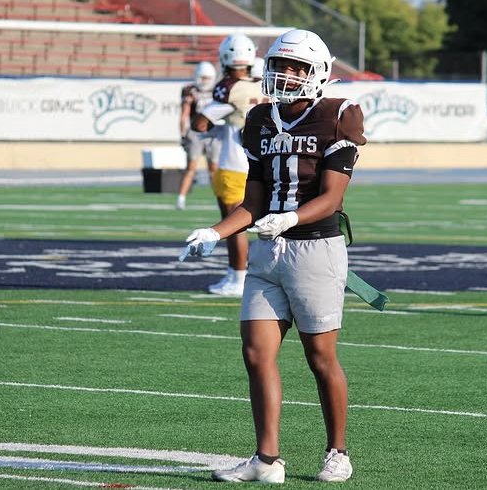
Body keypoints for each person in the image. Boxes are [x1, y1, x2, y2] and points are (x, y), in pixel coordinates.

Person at [179, 29, 366, 483]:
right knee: (256, 353)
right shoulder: (261, 119)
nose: (285, 74)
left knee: (320, 356)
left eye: (297, 67)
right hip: (268, 253)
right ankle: (266, 460)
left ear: (318, 73)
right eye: (280, 65)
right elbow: (252, 202)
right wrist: (214, 232)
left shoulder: (339, 114)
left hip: (316, 249)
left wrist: (291, 218)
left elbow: (332, 198)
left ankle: (338, 451)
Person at [190, 33, 266, 297]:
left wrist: (211, 119)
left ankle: (238, 276)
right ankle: (237, 275)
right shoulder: (263, 84)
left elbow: (200, 124)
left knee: (233, 224)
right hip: (262, 163)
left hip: (233, 163)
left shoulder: (230, 87)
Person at [176, 61, 221, 210]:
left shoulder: (218, 90)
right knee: (191, 167)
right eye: (202, 77)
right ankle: (181, 198)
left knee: (213, 168)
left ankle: (219, 198)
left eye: (207, 78)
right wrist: (183, 134)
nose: (205, 81)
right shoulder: (190, 90)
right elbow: (184, 114)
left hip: (213, 132)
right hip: (195, 133)